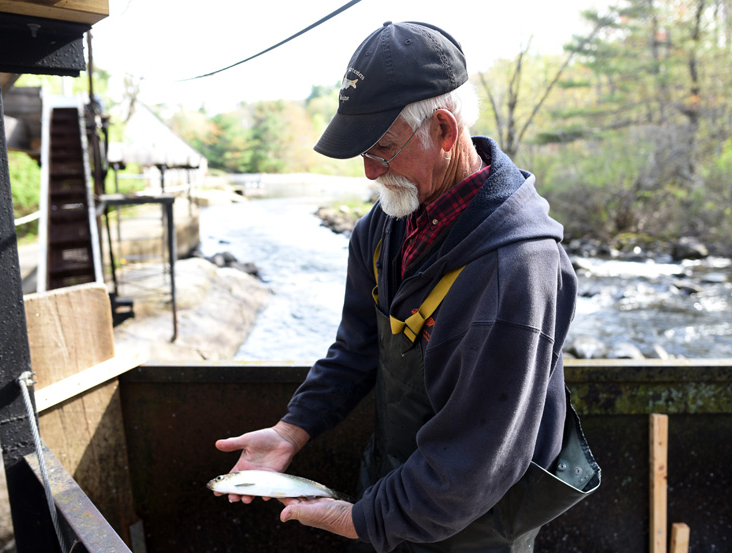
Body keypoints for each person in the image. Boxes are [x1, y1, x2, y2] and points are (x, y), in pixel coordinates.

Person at [214, 21, 600, 553]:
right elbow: (356, 350)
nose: (370, 171)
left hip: (477, 524)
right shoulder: (382, 228)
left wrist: (361, 521)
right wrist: (292, 429)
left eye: (384, 148)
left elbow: (479, 454)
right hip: (394, 489)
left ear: (444, 130)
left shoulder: (516, 270)